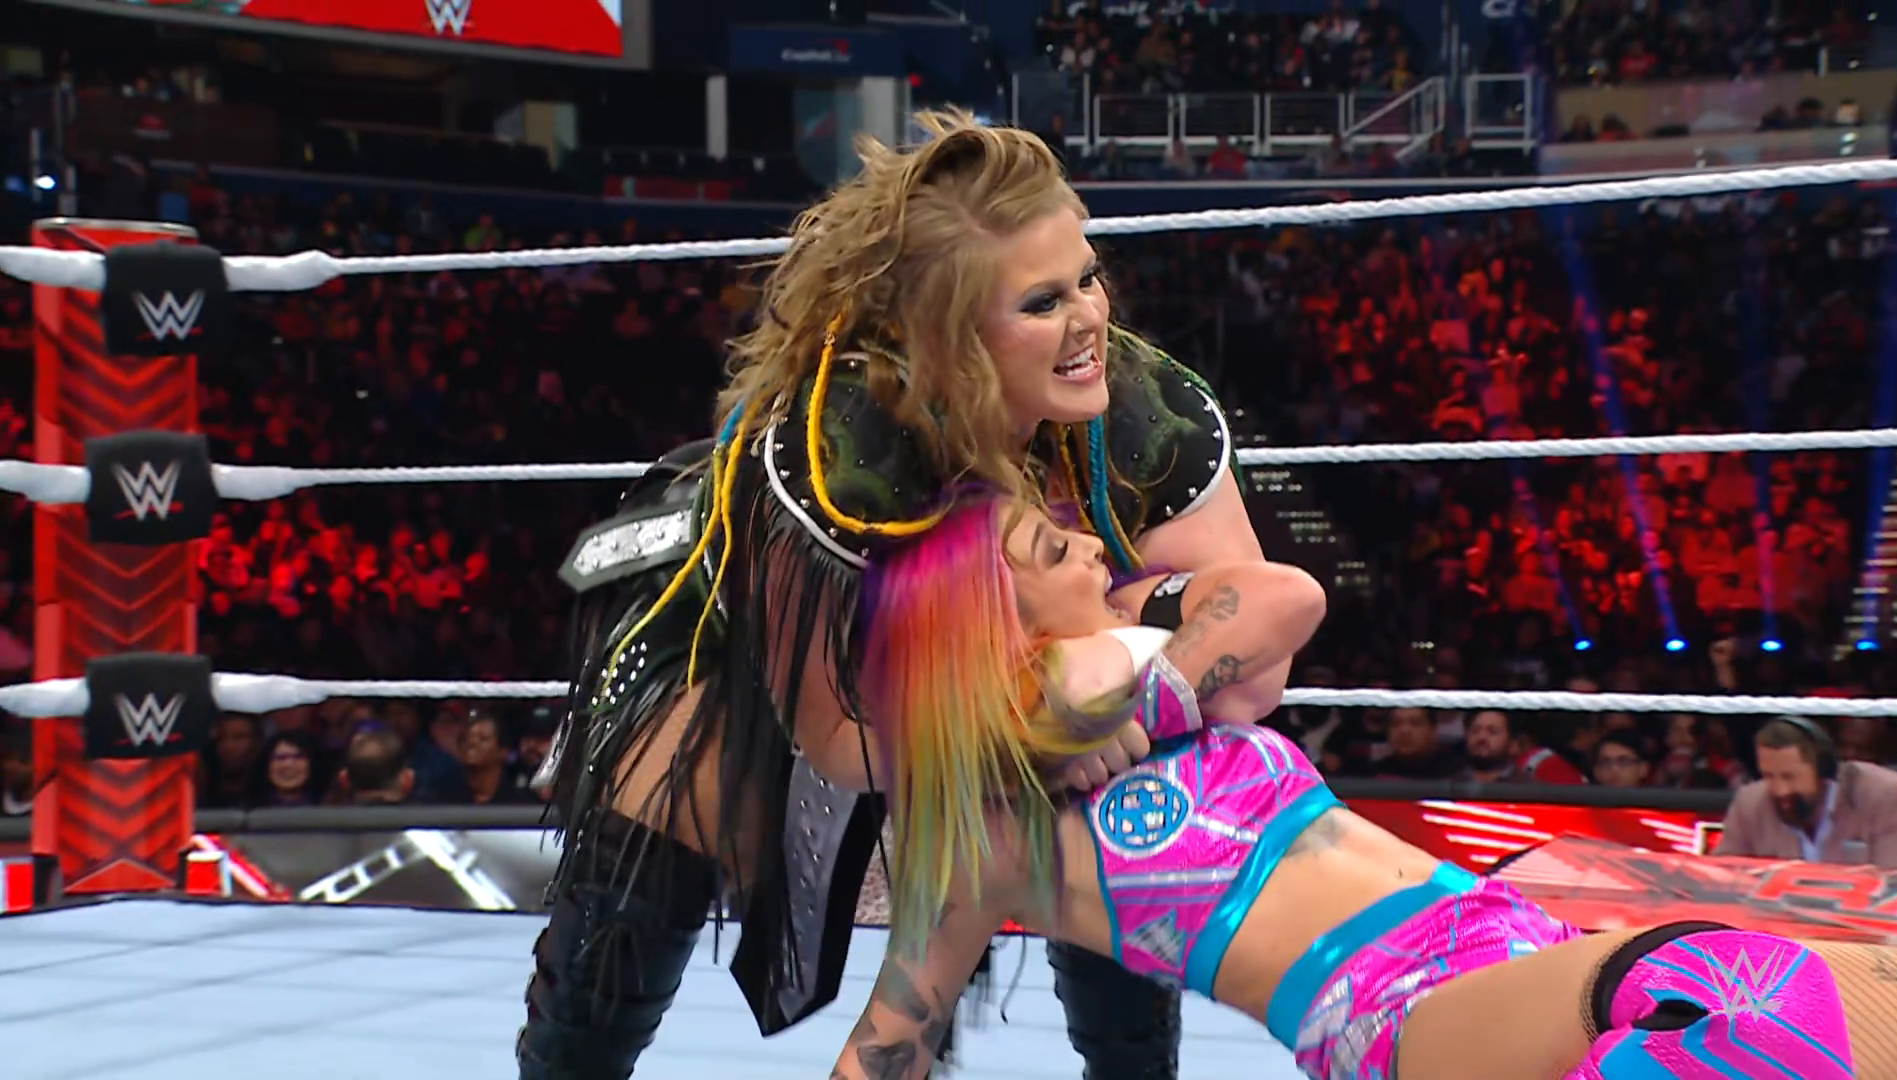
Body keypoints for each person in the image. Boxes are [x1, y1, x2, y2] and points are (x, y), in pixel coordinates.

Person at [517, 109, 1328, 1080]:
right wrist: (1045, 719)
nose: (1089, 321)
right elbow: (837, 736)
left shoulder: (1150, 415)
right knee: (677, 784)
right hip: (751, 652)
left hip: (993, 668)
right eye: (1042, 302)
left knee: (1133, 759)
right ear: (950, 334)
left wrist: (1108, 693)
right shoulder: (834, 455)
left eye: (1087, 277)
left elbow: (1257, 664)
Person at [827, 497, 1892, 1080]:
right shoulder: (992, 824)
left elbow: (1287, 596)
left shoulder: (1156, 666)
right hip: (1397, 1006)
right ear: (987, 615)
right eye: (1054, 547)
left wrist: (1143, 696)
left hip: (1512, 940)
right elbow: (890, 1040)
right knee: (1753, 996)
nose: (1092, 546)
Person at [1715, 716, 1897, 871]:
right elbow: (1721, 879)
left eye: (1789, 777)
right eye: (1769, 776)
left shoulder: (1892, 799)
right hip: (1770, 916)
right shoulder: (1750, 804)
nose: (1780, 790)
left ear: (1823, 769)